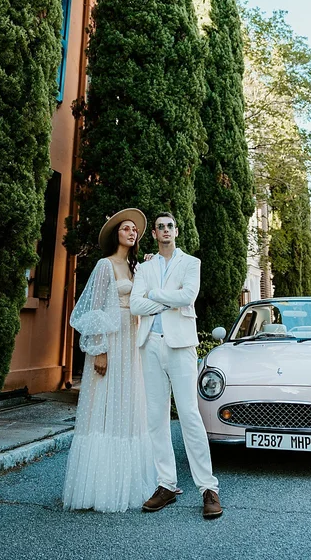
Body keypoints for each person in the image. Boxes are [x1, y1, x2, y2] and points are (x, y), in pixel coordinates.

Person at [63, 208, 156, 512]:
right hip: (111, 341)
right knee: (104, 403)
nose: (132, 232)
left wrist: (150, 269)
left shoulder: (136, 268)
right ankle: (98, 487)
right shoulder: (105, 265)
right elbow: (92, 309)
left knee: (127, 405)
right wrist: (99, 349)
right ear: (116, 234)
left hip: (132, 341)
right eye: (126, 228)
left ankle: (127, 484)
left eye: (134, 230)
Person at [130, 212, 222, 519]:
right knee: (156, 418)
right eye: (160, 227)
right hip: (150, 344)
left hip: (181, 346)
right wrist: (168, 300)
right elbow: (135, 305)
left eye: (170, 226)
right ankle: (166, 484)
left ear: (176, 231)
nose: (165, 230)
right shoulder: (144, 267)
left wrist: (154, 295)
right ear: (154, 234)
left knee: (190, 415)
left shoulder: (191, 263)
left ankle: (208, 488)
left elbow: (188, 296)